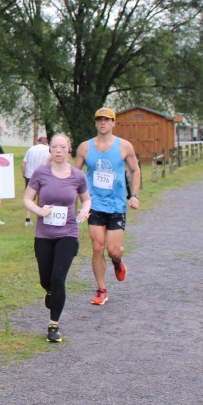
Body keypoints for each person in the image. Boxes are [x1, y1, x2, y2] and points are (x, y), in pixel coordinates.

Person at [23, 134, 91, 342]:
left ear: (69, 149)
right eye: (55, 147)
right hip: (44, 234)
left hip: (68, 233)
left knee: (58, 278)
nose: (59, 151)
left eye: (63, 147)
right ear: (50, 150)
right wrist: (39, 211)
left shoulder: (78, 176)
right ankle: (50, 291)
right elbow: (27, 199)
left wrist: (84, 210)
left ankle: (54, 325)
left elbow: (86, 199)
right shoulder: (40, 173)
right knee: (47, 279)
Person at [74, 107, 142, 306]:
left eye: (107, 119)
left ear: (113, 123)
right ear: (96, 123)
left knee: (113, 250)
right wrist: (75, 201)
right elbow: (74, 175)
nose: (102, 123)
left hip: (116, 205)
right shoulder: (85, 147)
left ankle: (117, 261)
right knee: (97, 247)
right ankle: (101, 290)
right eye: (99, 119)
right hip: (93, 203)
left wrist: (134, 195)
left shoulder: (124, 146)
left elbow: (135, 170)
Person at [22, 135, 50, 226]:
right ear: (46, 142)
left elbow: (23, 163)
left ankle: (27, 219)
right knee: (42, 197)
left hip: (30, 175)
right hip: (43, 176)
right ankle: (41, 217)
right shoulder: (48, 149)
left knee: (29, 198)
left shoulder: (31, 149)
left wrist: (24, 175)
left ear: (38, 142)